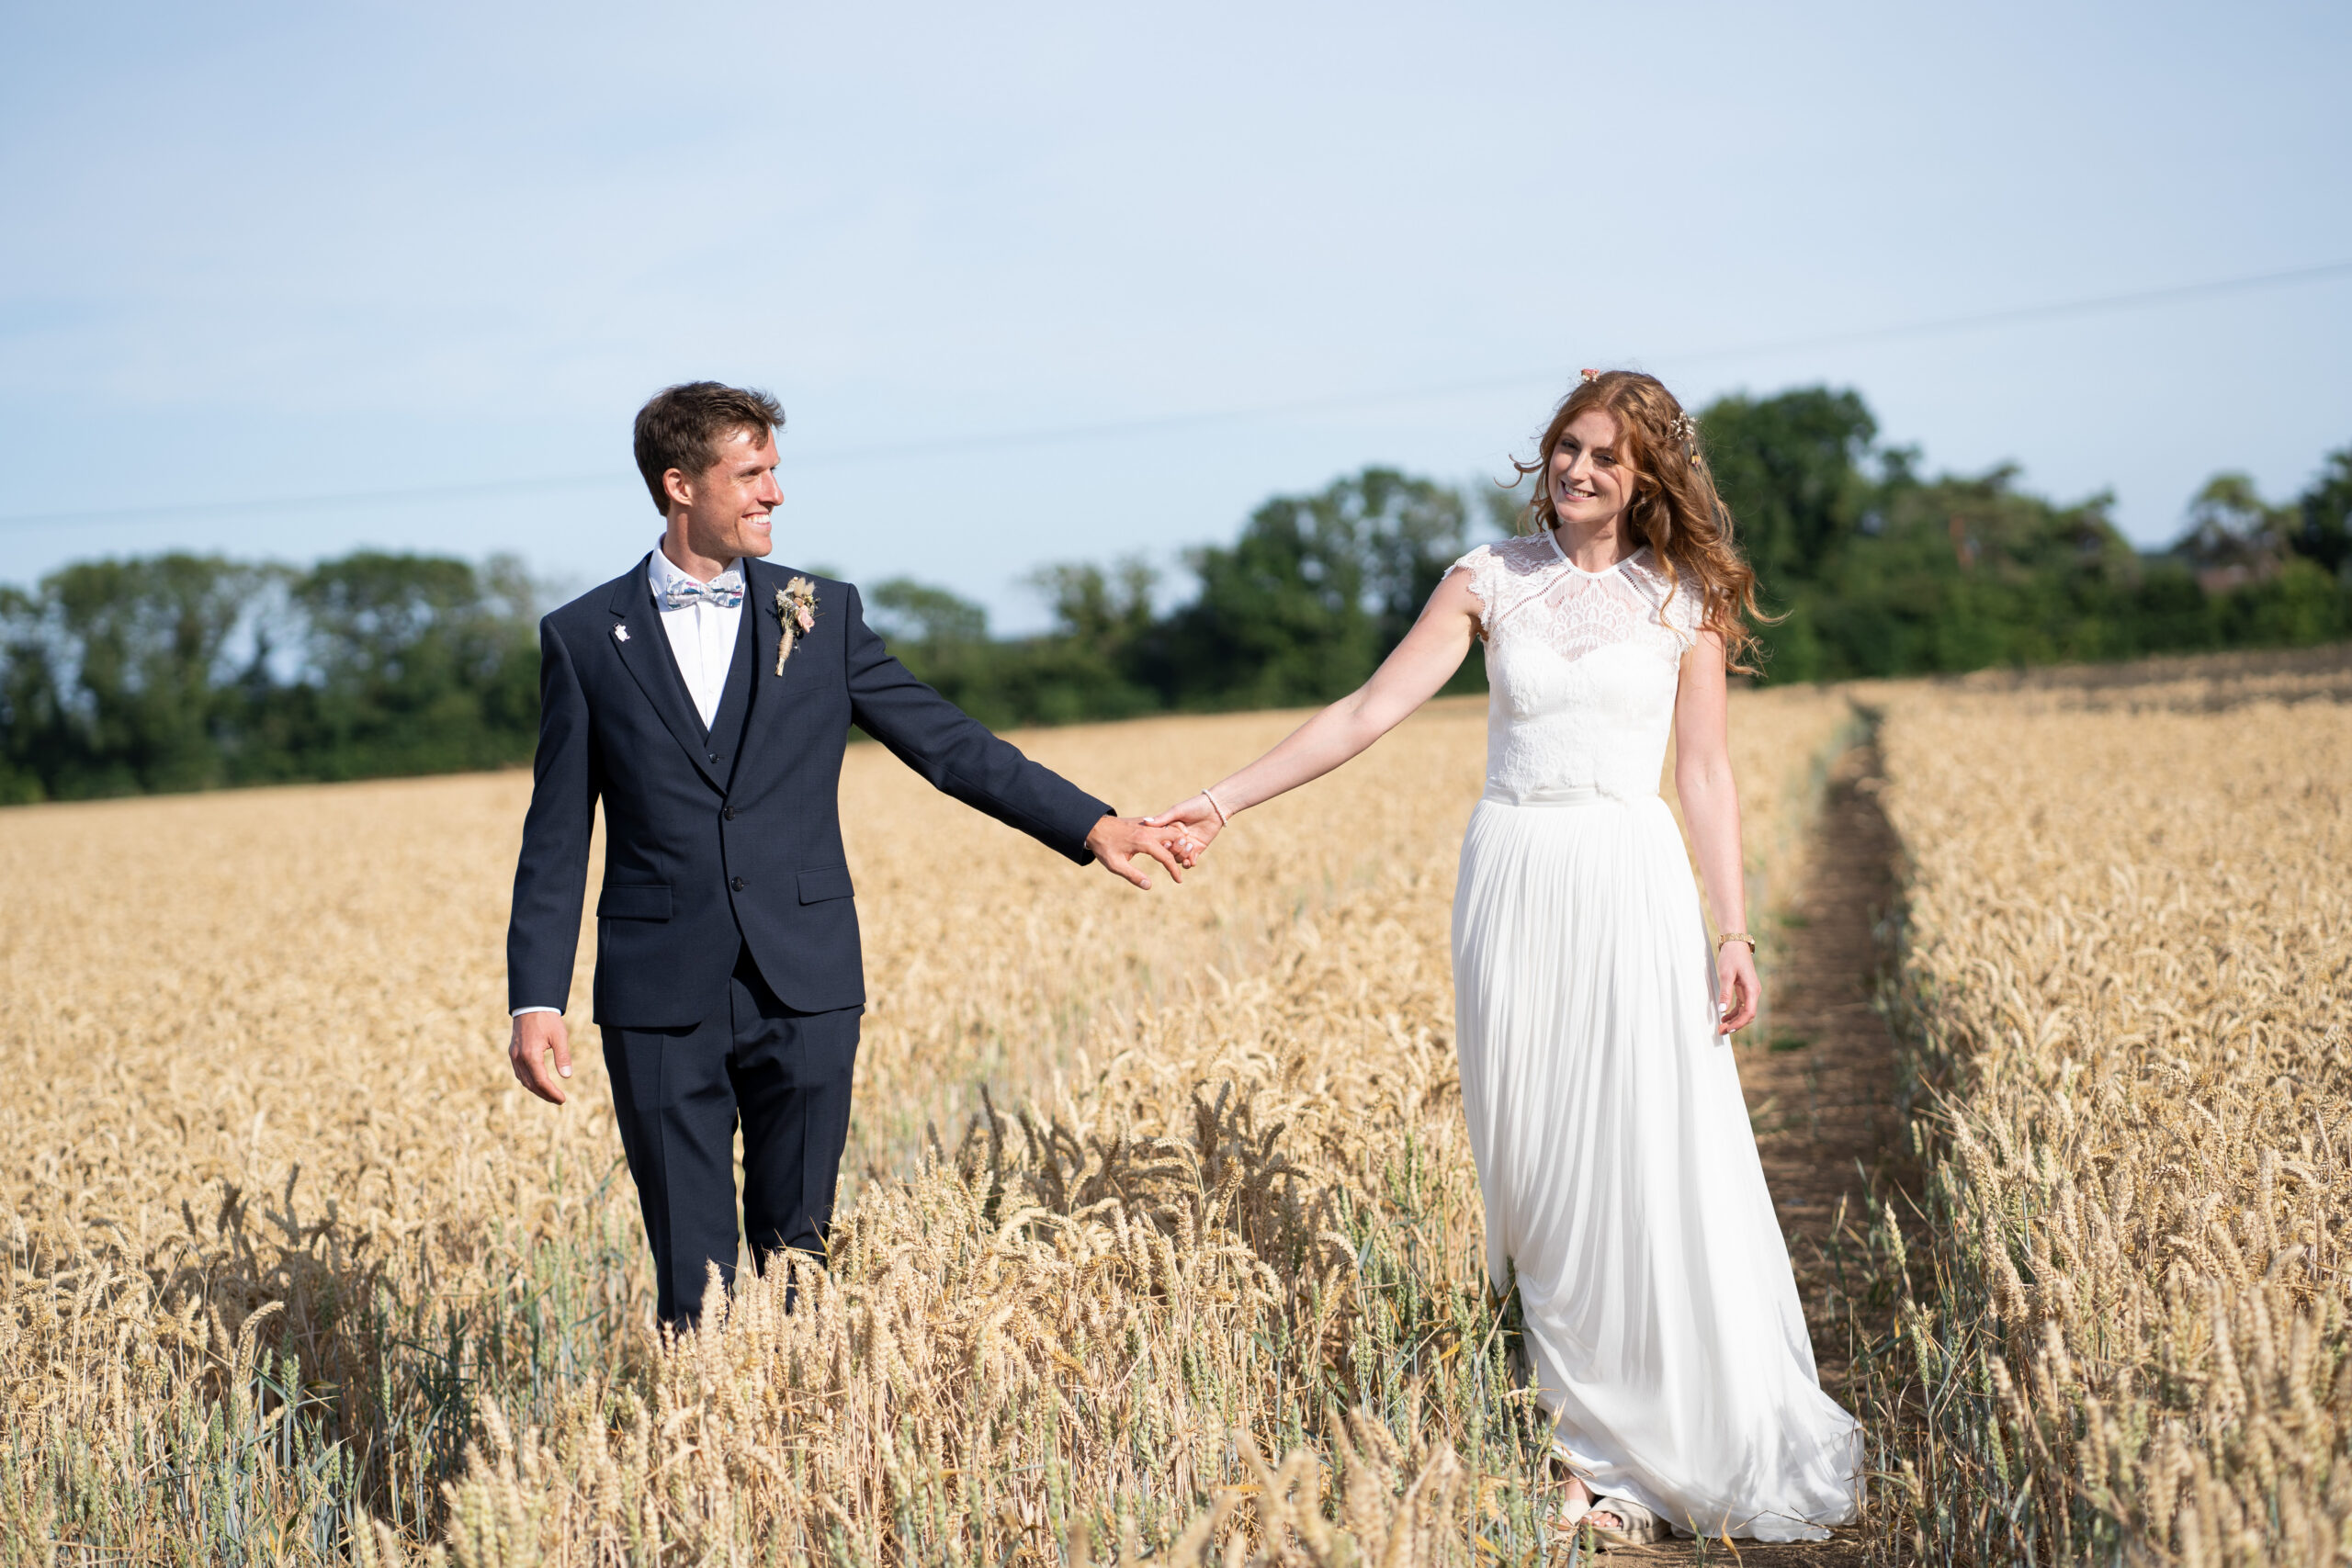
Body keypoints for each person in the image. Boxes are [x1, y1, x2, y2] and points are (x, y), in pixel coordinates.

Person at [1146, 370, 1862, 1543]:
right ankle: (1583, 1449)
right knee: (1535, 1172)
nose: (1577, 470)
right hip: (1513, 878)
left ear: (1646, 476)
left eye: (1605, 456)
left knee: (1639, 1159)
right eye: (1566, 447)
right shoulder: (1487, 580)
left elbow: (1704, 772)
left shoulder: (1685, 599)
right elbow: (1365, 711)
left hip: (1628, 879)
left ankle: (1645, 1456)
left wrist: (1732, 931)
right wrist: (1221, 803)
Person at [505, 381, 1190, 1328]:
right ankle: (701, 1420)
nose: (774, 493)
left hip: (807, 983)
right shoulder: (583, 637)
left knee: (800, 1262)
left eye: (774, 471)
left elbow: (950, 745)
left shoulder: (820, 614)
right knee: (693, 1288)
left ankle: (797, 1412)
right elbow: (555, 836)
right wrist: (535, 998)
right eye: (751, 474)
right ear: (679, 485)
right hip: (656, 996)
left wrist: (1092, 824)